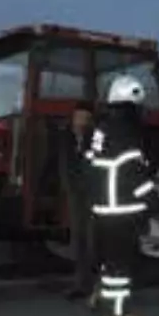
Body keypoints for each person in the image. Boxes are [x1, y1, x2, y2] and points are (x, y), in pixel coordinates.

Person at [84, 74, 158, 316]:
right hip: (122, 209)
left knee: (109, 258)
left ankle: (98, 296)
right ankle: (116, 313)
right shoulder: (127, 132)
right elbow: (134, 173)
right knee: (121, 264)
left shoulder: (102, 128)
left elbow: (92, 165)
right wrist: (154, 200)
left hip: (102, 207)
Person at [60, 100, 98, 300]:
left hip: (93, 194)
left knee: (94, 239)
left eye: (84, 118)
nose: (80, 121)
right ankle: (81, 284)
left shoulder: (95, 139)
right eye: (78, 117)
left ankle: (96, 285)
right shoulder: (65, 137)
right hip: (75, 195)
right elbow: (64, 165)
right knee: (79, 239)